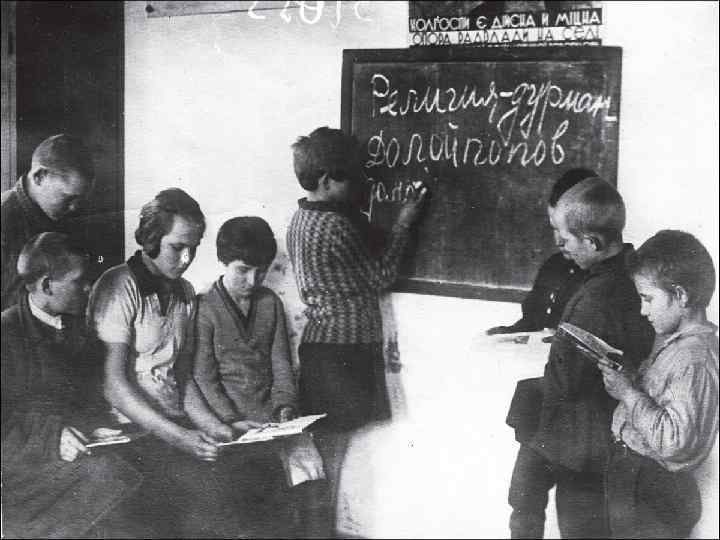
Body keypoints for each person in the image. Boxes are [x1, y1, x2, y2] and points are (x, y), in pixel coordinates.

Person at [87, 188, 272, 538]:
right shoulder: (119, 285)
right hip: (127, 432)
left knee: (243, 481)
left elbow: (182, 377)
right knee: (197, 504)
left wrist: (220, 429)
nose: (187, 259)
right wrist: (180, 438)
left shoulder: (185, 292)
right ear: (151, 238)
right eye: (177, 247)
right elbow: (113, 386)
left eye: (194, 248)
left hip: (174, 427)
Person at [286, 126, 427, 536]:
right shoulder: (336, 226)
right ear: (326, 180)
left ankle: (317, 531)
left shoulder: (301, 217)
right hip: (343, 350)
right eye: (351, 177)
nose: (361, 184)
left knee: (325, 455)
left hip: (324, 348)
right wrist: (404, 223)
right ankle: (318, 533)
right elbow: (381, 276)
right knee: (330, 456)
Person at [507, 176, 655, 538]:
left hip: (581, 441)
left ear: (593, 242)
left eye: (566, 237)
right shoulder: (630, 273)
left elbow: (570, 380)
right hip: (587, 433)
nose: (559, 244)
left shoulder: (598, 295)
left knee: (578, 527)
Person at [191, 215, 325, 537]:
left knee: (312, 472)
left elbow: (281, 364)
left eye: (261, 271)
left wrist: (285, 407)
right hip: (230, 423)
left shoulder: (270, 303)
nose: (252, 280)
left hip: (271, 421)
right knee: (249, 491)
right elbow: (204, 378)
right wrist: (232, 420)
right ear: (224, 261)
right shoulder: (205, 307)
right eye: (243, 270)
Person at [1, 232, 141, 538]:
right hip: (24, 468)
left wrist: (95, 426)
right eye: (80, 281)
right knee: (111, 480)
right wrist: (51, 436)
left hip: (75, 453)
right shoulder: (5, 334)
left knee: (142, 464)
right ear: (47, 285)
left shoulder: (80, 331)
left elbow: (86, 399)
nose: (90, 287)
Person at [600, 230, 718, 538]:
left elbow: (673, 441)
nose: (643, 310)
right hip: (639, 479)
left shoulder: (693, 358)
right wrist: (631, 381)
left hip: (651, 487)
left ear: (681, 295)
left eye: (648, 299)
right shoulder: (678, 345)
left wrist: (627, 393)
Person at [488, 168, 594, 335]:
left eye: (566, 229)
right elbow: (532, 322)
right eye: (555, 228)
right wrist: (509, 334)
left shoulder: (610, 278)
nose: (559, 240)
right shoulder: (554, 266)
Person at [1, 134, 95, 310]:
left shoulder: (62, 215)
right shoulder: (4, 221)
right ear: (39, 176)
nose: (74, 207)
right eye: (68, 198)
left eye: (80, 199)